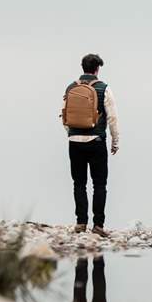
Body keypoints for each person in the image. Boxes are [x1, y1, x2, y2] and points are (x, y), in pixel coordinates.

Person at [61, 53, 121, 236]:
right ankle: (98, 225)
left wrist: (72, 133)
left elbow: (65, 116)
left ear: (83, 67)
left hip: (74, 142)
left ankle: (81, 223)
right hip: (96, 142)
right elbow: (112, 118)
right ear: (97, 69)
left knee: (79, 183)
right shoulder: (104, 88)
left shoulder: (71, 88)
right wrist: (115, 141)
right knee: (99, 184)